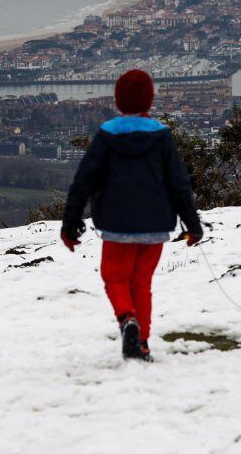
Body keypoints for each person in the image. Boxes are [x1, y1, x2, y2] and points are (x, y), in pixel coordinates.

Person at [61, 69, 203, 361]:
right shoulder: (162, 137)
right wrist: (193, 224)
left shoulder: (106, 135)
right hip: (155, 224)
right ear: (150, 100)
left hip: (116, 223)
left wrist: (70, 222)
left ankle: (127, 320)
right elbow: (179, 183)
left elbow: (83, 180)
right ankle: (143, 343)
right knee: (142, 284)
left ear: (117, 100)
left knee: (115, 277)